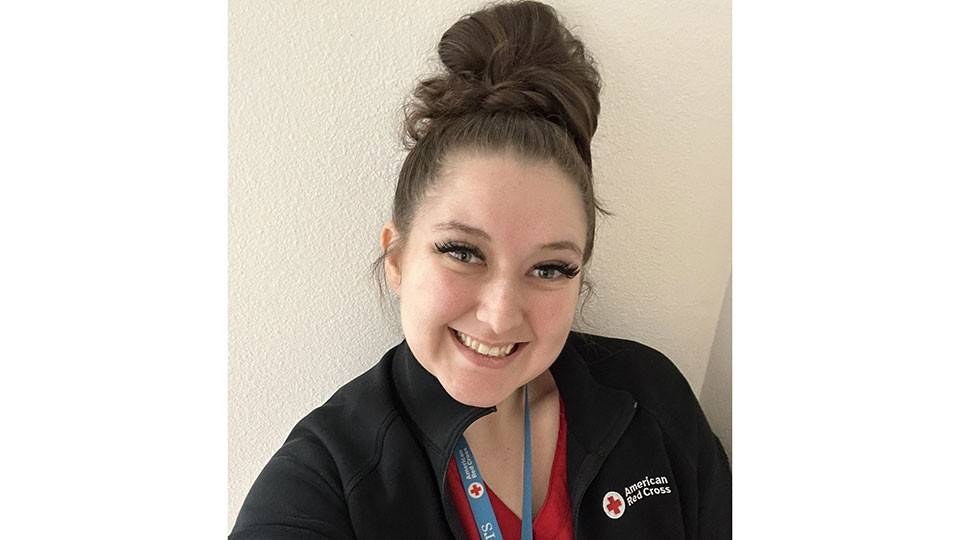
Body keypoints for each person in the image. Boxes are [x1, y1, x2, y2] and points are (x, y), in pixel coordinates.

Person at [230, 1, 731, 538]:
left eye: (551, 268)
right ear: (397, 257)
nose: (498, 317)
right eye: (463, 253)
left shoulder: (650, 400)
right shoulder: (325, 479)